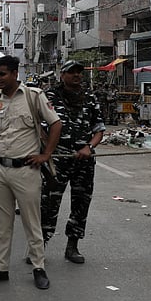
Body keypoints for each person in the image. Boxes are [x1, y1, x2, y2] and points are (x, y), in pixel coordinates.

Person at [0, 55, 61, 291]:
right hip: (0, 168)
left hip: (26, 169)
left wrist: (46, 154)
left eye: (3, 74)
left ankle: (38, 267)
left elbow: (55, 124)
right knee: (2, 222)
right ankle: (0, 268)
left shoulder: (33, 96)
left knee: (32, 222)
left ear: (14, 73)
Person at [40, 60, 106, 264]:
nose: (77, 75)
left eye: (79, 72)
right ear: (62, 75)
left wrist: (90, 147)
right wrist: (50, 150)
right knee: (48, 203)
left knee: (81, 202)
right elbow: (41, 129)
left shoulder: (91, 97)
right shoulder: (49, 97)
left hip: (84, 161)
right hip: (57, 159)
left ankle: (73, 246)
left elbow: (99, 129)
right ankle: (39, 245)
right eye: (72, 72)